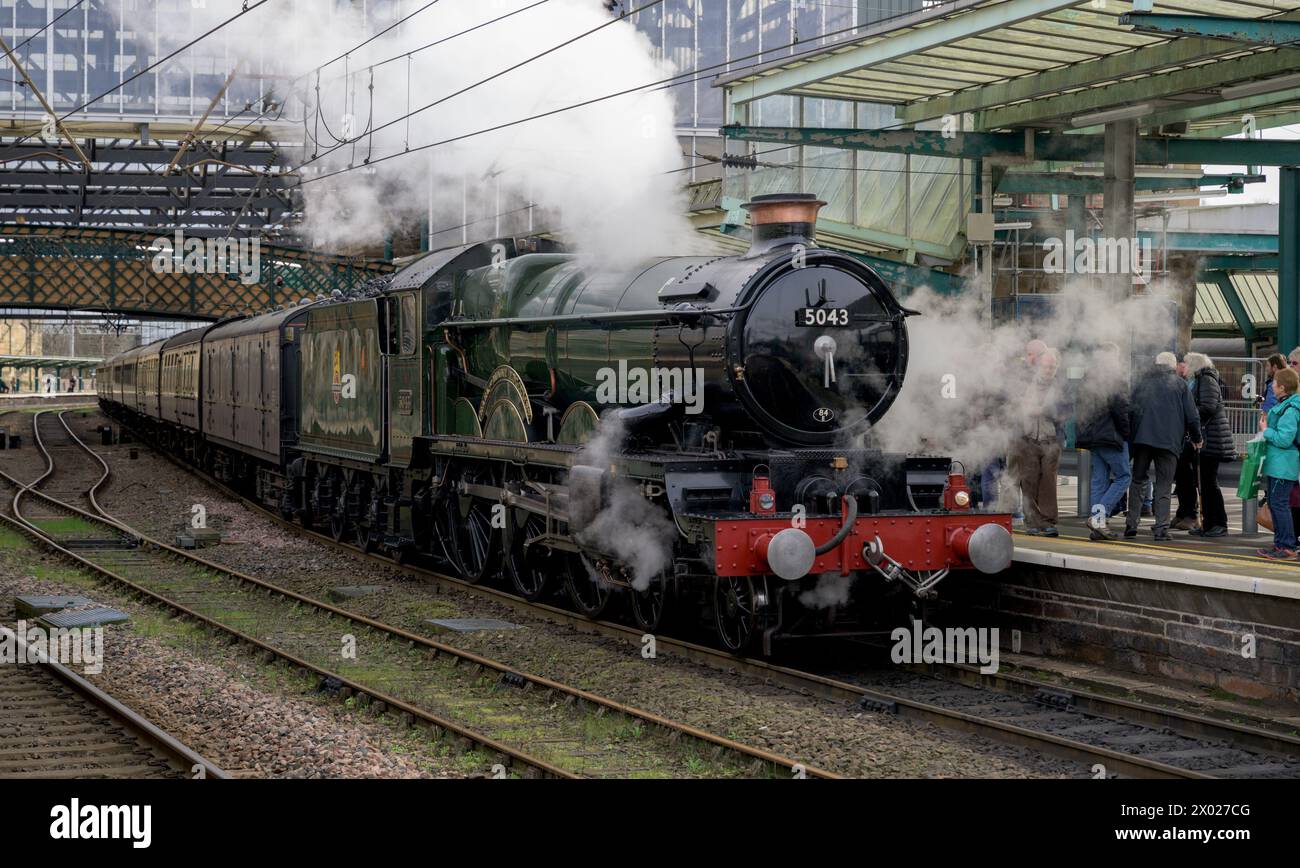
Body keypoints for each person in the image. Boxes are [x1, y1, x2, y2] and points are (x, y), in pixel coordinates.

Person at [1125, 352, 1203, 541]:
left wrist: (1131, 438)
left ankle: (1131, 525)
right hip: (1169, 442)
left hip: (1142, 440)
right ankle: (1161, 529)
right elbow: (1192, 416)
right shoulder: (1180, 385)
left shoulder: (1141, 383)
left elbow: (1130, 411)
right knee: (1164, 484)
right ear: (1173, 366)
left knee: (1137, 481)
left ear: (1155, 364)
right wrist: (1197, 438)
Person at [1076, 343, 1131, 541]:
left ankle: (1097, 526)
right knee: (1124, 476)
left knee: (1099, 479)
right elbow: (1121, 410)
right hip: (1111, 437)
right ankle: (1100, 518)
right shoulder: (1115, 379)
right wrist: (1127, 434)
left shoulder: (1087, 378)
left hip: (1092, 438)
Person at [1009, 349, 1064, 537]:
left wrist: (1046, 410)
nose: (1049, 369)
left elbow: (1068, 411)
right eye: (1046, 366)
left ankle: (1048, 521)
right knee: (1028, 481)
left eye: (1052, 366)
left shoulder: (1061, 387)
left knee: (1048, 482)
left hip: (1051, 439)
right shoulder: (1025, 384)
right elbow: (1012, 405)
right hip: (1027, 437)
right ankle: (1031, 521)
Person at [1186, 353, 1233, 537]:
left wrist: (1189, 411)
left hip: (1211, 438)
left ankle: (1219, 523)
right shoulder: (1204, 379)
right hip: (1210, 437)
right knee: (1204, 482)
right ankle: (1209, 523)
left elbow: (1208, 407)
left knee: (1209, 482)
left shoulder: (1206, 379)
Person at [1257, 366, 1300, 559]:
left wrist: (1266, 430)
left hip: (1284, 464)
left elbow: (1284, 439)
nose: (1272, 385)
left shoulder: (1290, 410)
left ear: (1282, 387)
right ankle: (1280, 543)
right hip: (1280, 464)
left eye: (1274, 383)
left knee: (1280, 504)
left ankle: (1287, 545)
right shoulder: (1288, 405)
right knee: (1276, 503)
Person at [1170, 354, 1199, 530]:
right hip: (1183, 436)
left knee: (1187, 478)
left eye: (1183, 364)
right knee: (1181, 477)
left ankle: (1191, 514)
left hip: (1190, 438)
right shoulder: (1187, 382)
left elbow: (1193, 411)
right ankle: (1183, 511)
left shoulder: (1196, 383)